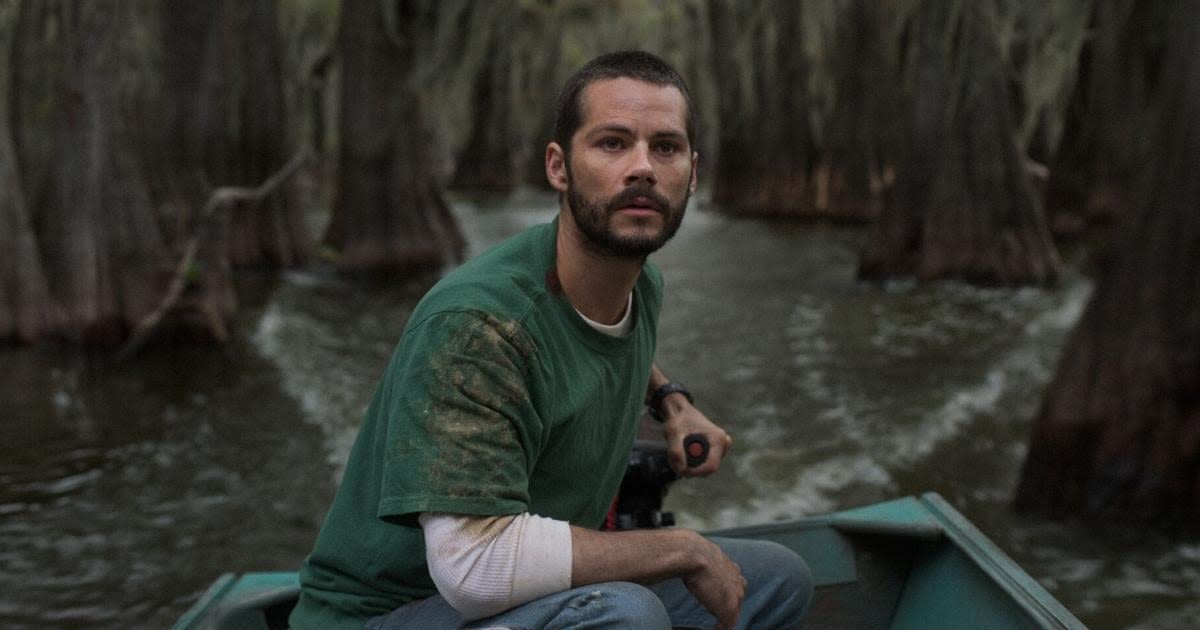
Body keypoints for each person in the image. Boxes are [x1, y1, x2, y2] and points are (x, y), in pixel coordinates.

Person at [289, 50, 813, 630]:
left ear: (693, 171)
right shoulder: (476, 327)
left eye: (664, 147)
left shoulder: (639, 285)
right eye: (613, 143)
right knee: (624, 614)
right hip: (387, 615)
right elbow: (474, 568)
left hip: (516, 602)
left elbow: (598, 342)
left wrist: (672, 402)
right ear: (559, 167)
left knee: (778, 577)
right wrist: (682, 548)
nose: (642, 167)